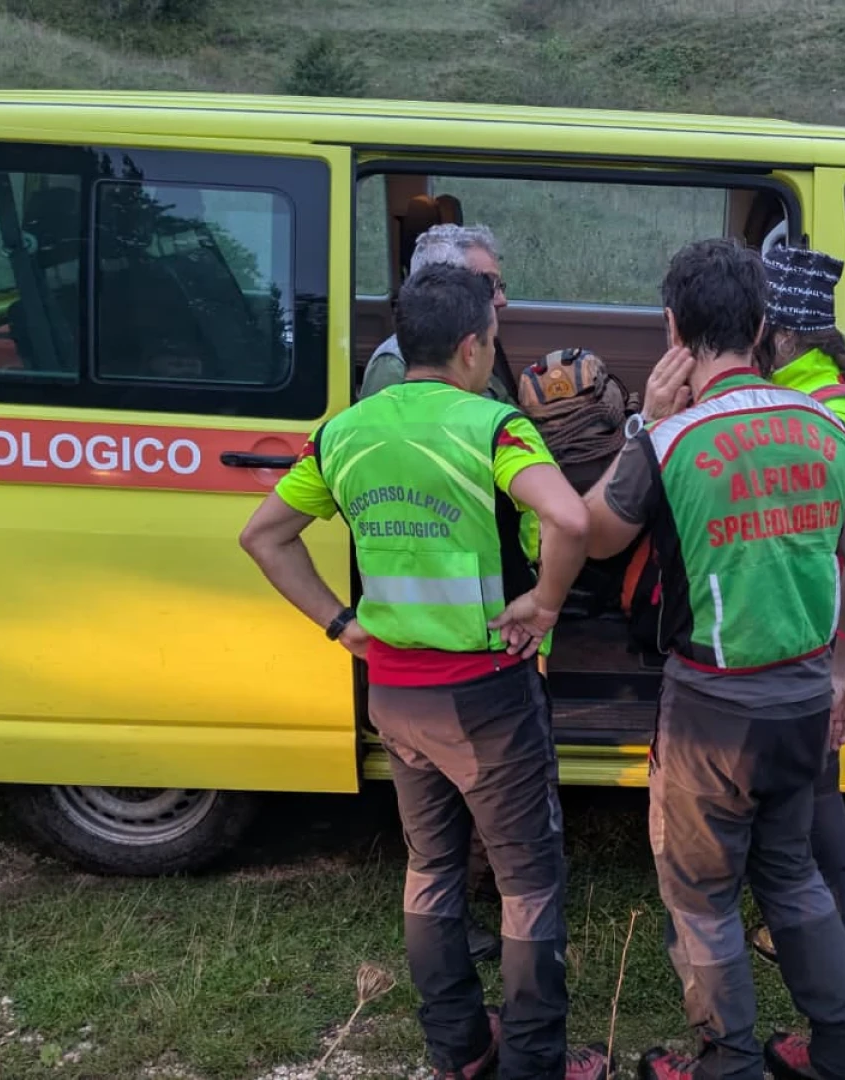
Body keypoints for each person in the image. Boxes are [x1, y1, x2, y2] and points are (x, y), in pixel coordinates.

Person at [241, 264, 609, 1080]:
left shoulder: (345, 433)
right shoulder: (494, 428)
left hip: (395, 696)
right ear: (476, 344)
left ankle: (460, 1050)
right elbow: (569, 516)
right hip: (486, 697)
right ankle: (535, 1063)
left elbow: (264, 536)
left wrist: (342, 624)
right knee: (528, 884)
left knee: (432, 870)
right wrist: (544, 606)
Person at [583, 238, 845, 1080]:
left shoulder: (671, 441)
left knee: (705, 899)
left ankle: (727, 1063)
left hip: (709, 714)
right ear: (762, 326)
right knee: (793, 879)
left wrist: (642, 418)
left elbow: (592, 532)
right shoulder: (833, 427)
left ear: (674, 328)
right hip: (803, 704)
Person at [358, 220, 518, 967]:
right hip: (454, 645)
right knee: (484, 827)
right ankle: (481, 907)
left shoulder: (463, 355)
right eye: (489, 286)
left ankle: (461, 928)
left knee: (437, 837)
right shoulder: (407, 379)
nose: (502, 298)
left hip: (428, 657)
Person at [745, 243, 845, 971]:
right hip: (825, 615)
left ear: (778, 336)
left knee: (810, 781)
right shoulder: (839, 391)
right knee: (814, 778)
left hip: (809, 617)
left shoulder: (813, 412)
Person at [361, 223, 517, 404]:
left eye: (499, 286)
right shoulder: (393, 365)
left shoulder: (478, 341)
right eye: (488, 284)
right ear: (443, 284)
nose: (502, 299)